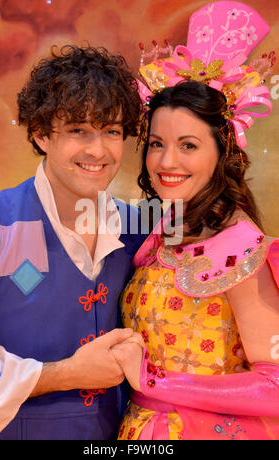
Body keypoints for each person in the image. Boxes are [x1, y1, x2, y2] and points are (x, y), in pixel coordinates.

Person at [113, 2, 279, 440]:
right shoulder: (159, 234)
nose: (166, 161)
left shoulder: (243, 249)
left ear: (223, 151)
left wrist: (155, 382)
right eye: (156, 144)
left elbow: (275, 386)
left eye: (188, 145)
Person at [0, 44, 145, 440]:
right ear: (40, 135)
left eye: (112, 131)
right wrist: (64, 374)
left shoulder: (138, 228)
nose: (98, 150)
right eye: (78, 131)